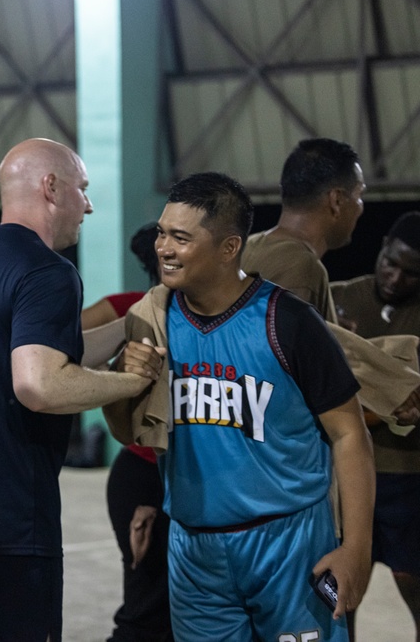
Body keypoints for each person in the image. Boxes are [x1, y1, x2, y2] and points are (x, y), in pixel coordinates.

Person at [0, 137, 163, 642]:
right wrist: (131, 382)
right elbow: (39, 384)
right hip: (3, 515)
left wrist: (135, 321)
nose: (88, 205)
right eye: (82, 189)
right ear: (51, 187)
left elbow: (40, 352)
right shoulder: (47, 271)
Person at [118, 172, 374, 641]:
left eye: (180, 237)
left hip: (289, 543)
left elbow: (349, 433)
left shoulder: (288, 321)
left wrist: (356, 545)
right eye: (161, 232)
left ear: (229, 247)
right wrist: (122, 374)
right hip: (194, 550)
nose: (163, 248)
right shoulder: (152, 321)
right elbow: (132, 431)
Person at [80, 222, 174, 642]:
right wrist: (110, 379)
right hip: (144, 475)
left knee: (177, 607)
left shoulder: (209, 314)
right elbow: (59, 341)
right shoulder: (132, 308)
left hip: (182, 477)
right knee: (147, 609)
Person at [331, 211, 420, 641]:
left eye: (411, 273)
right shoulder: (337, 300)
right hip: (345, 478)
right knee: (339, 597)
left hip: (408, 479)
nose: (396, 276)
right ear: (382, 245)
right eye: (392, 262)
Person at [242, 137, 365, 323]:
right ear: (337, 200)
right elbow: (280, 348)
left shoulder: (247, 247)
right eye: (359, 194)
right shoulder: (302, 267)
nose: (360, 206)